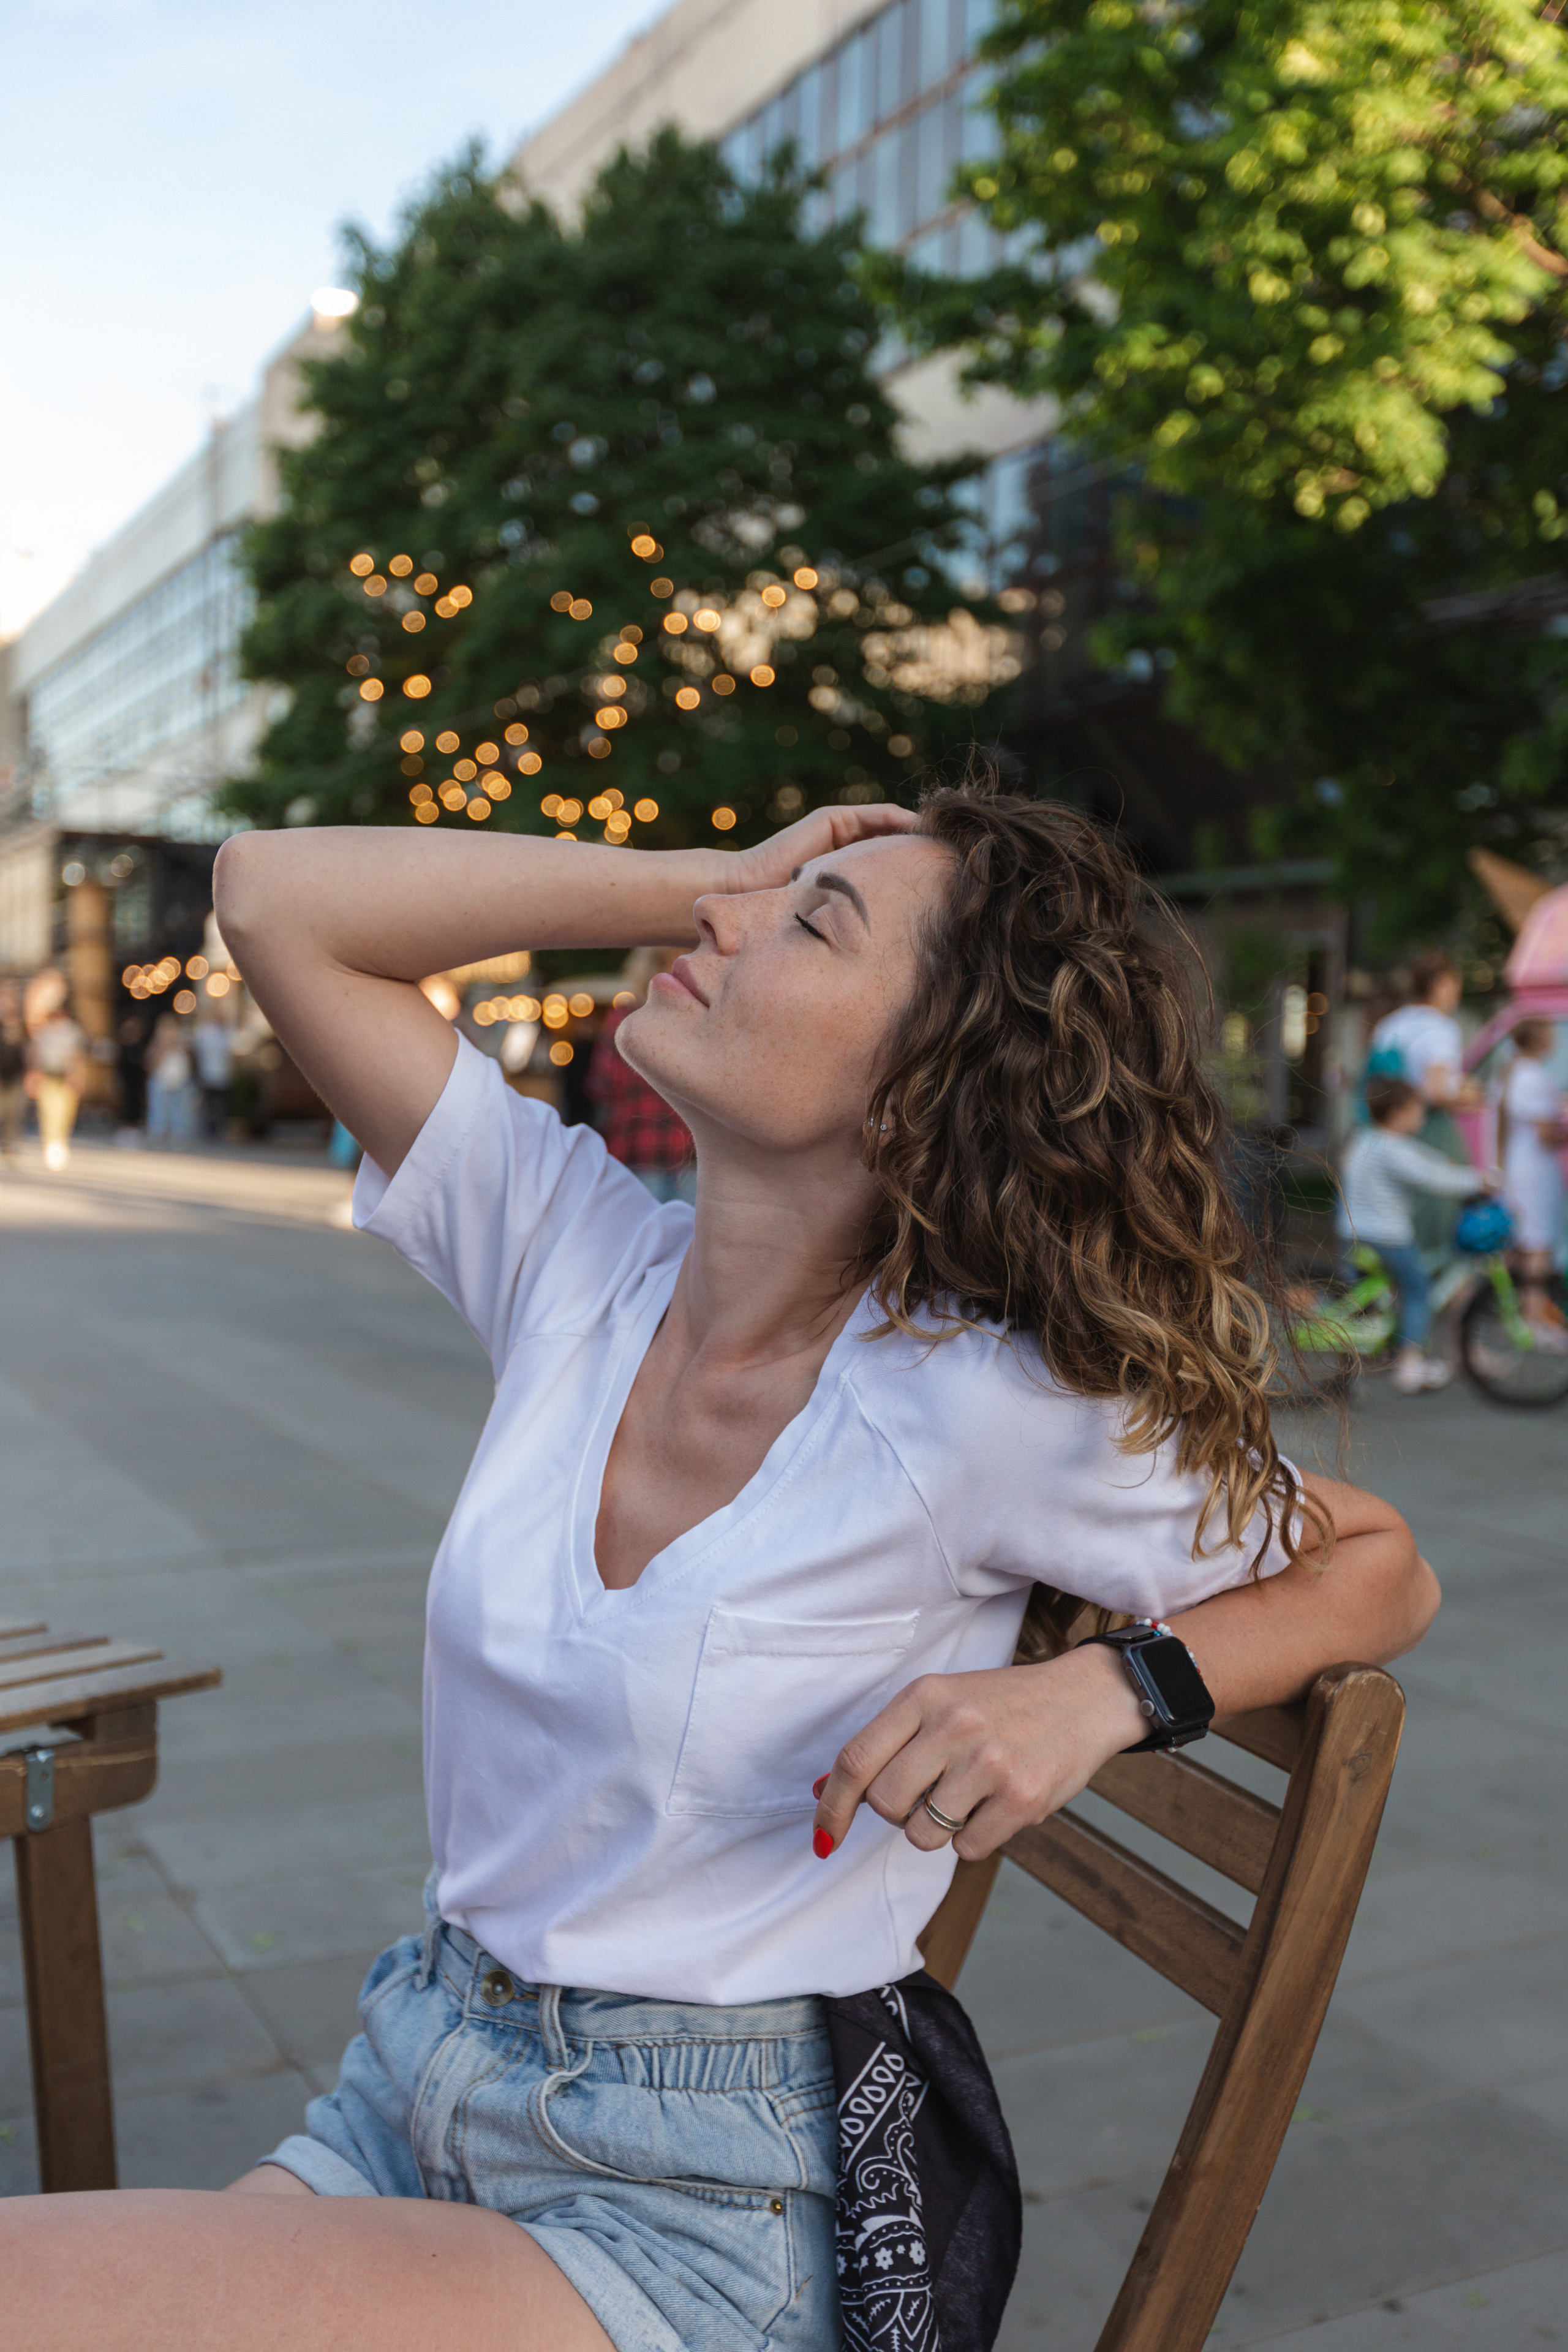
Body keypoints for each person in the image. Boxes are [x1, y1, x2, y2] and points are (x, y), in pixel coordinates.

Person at [7, 785, 1439, 2352]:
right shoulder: (572, 1253)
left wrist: (1104, 1688)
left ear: (915, 1093)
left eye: (810, 921)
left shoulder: (971, 1405)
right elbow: (274, 893)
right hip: (412, 2077)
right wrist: (718, 872)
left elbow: (1376, 1568)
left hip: (699, 2202)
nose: (722, 919)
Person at [1338, 1075, 1493, 1393]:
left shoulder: (1367, 1139)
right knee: (1418, 1290)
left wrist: (1451, 1166)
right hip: (1386, 1236)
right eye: (1417, 1110)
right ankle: (1409, 1364)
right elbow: (1430, 1177)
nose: (1422, 1117)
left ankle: (1364, 1359)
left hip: (1353, 1231)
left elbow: (1427, 1159)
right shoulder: (1393, 1150)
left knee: (1369, 1296)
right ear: (1398, 1114)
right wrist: (1479, 1182)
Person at [1366, 951, 1478, 1252]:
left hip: (1384, 1128)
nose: (1457, 991)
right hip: (1427, 1126)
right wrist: (1470, 1095)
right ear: (1441, 984)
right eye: (1455, 983)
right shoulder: (1440, 1028)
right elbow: (1436, 1090)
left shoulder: (1391, 1023)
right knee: (1438, 1209)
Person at [585, 946, 696, 1203]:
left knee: (645, 1234)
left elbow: (601, 1084)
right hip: (690, 1148)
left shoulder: (624, 1017)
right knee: (693, 1235)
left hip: (637, 1144)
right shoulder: (696, 1015)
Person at [1499, 1019, 1567, 1343]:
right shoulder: (1534, 1077)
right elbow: (1545, 1135)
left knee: (1520, 1243)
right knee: (1538, 1244)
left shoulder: (1512, 1073)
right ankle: (1534, 1316)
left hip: (1518, 1167)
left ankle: (1515, 1312)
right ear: (1539, 1040)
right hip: (1535, 1173)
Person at [29, 999, 86, 1172]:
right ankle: (50, 1144)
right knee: (47, 1112)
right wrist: (34, 1074)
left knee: (64, 1113)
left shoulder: (72, 1030)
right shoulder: (44, 1031)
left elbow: (76, 1054)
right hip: (47, 1074)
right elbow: (36, 1054)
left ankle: (59, 1143)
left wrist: (76, 1076)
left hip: (65, 1076)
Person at [145, 1011, 196, 1147]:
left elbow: (188, 1062)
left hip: (180, 1081)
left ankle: (179, 1135)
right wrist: (163, 1048)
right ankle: (159, 1134)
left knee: (179, 1110)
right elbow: (150, 1062)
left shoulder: (182, 1042)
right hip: (161, 1080)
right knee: (160, 1109)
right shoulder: (158, 1043)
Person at [192, 1009, 234, 1142]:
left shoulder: (205, 1033)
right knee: (217, 1105)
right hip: (218, 1074)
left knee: (210, 1105)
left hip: (210, 1074)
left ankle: (210, 1130)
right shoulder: (221, 1034)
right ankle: (215, 1130)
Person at [0, 983, 27, 1165]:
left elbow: (29, 1049)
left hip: (16, 1075)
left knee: (14, 1112)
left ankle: (10, 1145)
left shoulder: (21, 1023)